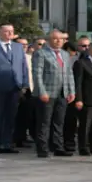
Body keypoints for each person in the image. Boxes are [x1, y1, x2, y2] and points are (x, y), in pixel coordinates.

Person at [31, 29, 75, 158]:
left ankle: (58, 147)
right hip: (47, 93)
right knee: (44, 122)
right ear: (49, 40)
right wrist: (42, 91)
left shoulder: (65, 54)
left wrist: (71, 91)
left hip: (62, 93)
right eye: (55, 38)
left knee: (59, 122)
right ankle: (42, 149)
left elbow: (69, 73)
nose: (58, 41)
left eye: (61, 39)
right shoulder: (41, 53)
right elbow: (37, 74)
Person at [0, 23, 29, 154]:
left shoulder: (18, 47)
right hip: (0, 86)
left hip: (15, 87)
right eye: (6, 31)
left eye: (11, 31)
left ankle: (7, 143)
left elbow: (23, 66)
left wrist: (25, 84)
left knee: (11, 116)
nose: (10, 33)